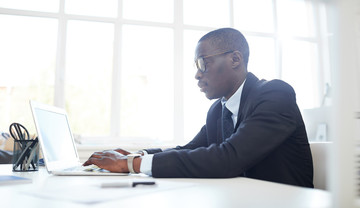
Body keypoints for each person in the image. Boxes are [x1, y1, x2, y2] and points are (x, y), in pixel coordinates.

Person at [84, 28, 314, 188]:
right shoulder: (218, 111)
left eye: (203, 62)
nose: (197, 74)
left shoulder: (275, 95)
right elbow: (190, 148)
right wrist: (140, 155)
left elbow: (228, 159)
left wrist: (131, 165)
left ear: (235, 59)